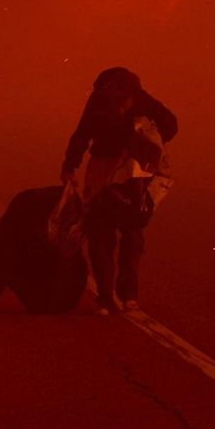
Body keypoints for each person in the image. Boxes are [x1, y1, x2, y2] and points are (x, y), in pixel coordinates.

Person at [60, 67, 178, 315]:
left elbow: (170, 125)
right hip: (103, 168)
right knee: (101, 231)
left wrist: (148, 139)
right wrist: (70, 165)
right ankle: (105, 296)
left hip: (134, 171)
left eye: (123, 101)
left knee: (132, 232)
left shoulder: (143, 100)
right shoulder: (98, 102)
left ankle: (128, 294)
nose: (118, 106)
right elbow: (82, 134)